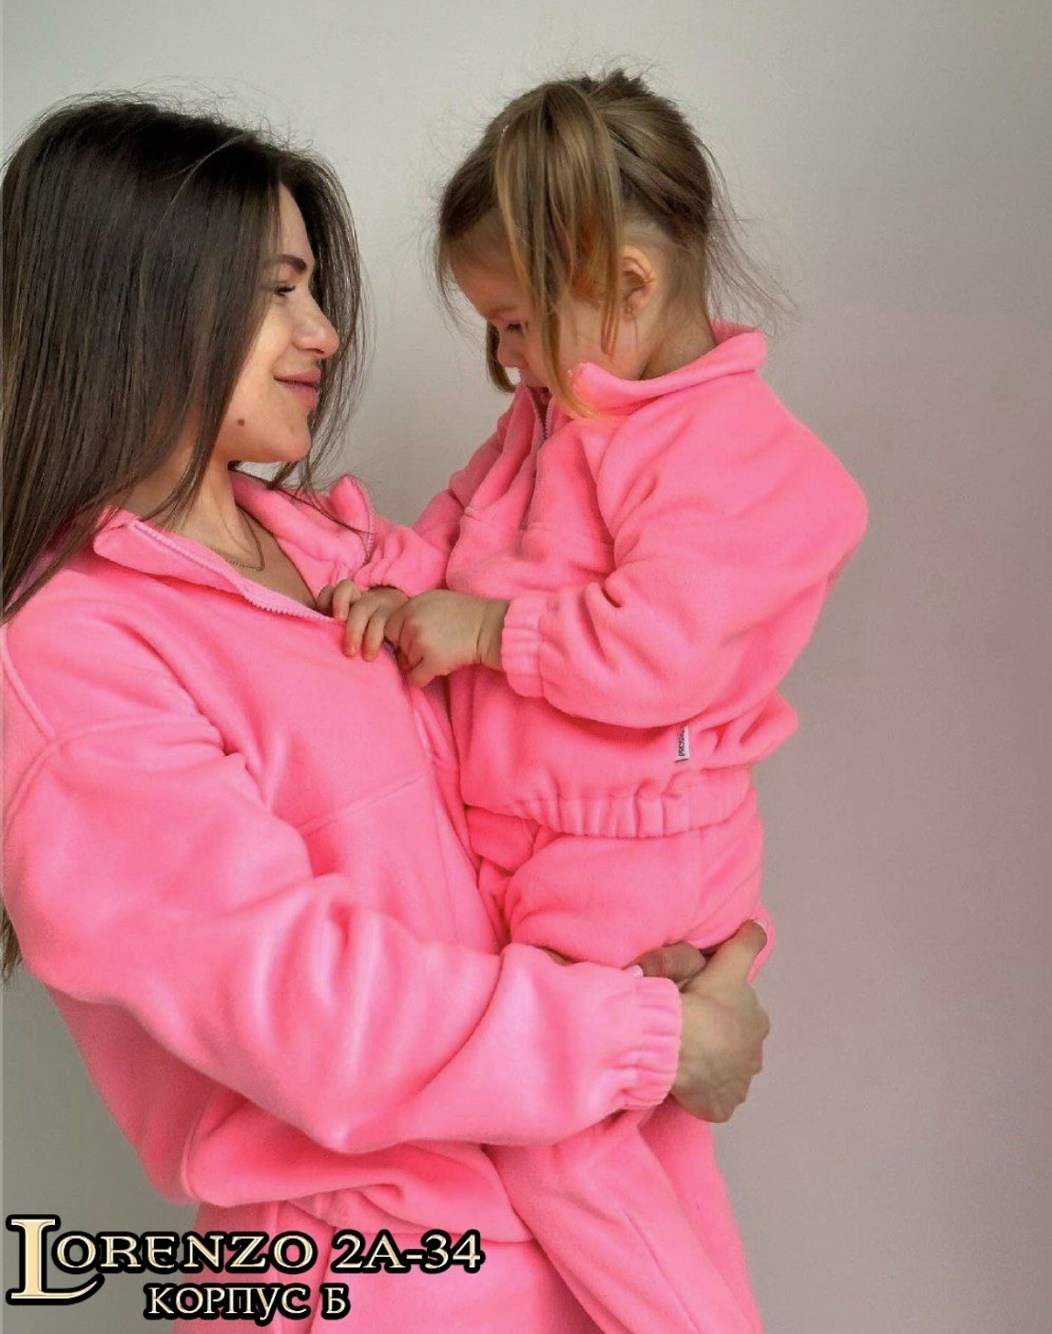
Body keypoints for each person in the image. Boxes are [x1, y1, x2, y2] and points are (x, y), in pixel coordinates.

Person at [0, 96, 771, 1334]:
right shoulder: (72, 653)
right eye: (277, 290)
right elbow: (311, 1007)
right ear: (137, 301)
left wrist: (669, 942)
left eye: (314, 288)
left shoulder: (347, 552)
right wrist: (652, 1036)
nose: (323, 329)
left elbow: (548, 765)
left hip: (602, 1225)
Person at [323, 71, 868, 1334]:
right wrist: (372, 571)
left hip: (631, 846)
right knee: (644, 1150)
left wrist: (487, 633)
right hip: (548, 842)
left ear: (628, 281)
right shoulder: (552, 415)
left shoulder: (724, 449)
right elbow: (453, 537)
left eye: (517, 322)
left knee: (556, 1135)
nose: (507, 359)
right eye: (495, 330)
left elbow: (659, 647)